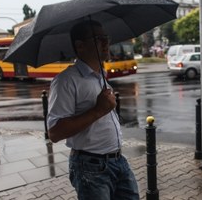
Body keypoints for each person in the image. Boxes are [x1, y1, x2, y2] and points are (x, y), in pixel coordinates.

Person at [47, 20, 139, 200]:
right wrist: (98, 110)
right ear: (80, 46)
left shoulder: (100, 76)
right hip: (90, 166)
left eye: (106, 38)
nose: (106, 43)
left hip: (118, 160)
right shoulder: (66, 80)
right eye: (98, 39)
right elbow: (55, 132)